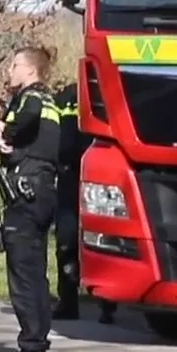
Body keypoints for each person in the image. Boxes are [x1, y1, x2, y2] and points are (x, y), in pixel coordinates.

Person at [0, 45, 62, 352]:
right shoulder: (50, 102)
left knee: (22, 276)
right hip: (43, 191)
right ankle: (37, 349)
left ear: (30, 71)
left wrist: (6, 131)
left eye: (15, 64)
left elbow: (21, 121)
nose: (10, 71)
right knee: (36, 274)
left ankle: (31, 351)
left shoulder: (31, 99)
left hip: (26, 192)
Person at [51, 69, 113, 325]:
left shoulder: (108, 91)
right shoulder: (65, 97)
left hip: (102, 176)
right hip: (69, 175)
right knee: (66, 239)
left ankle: (109, 303)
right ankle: (68, 301)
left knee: (106, 239)